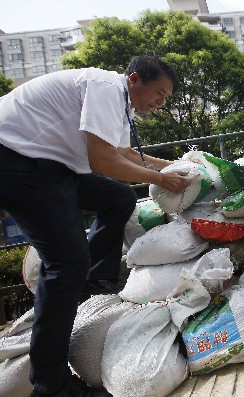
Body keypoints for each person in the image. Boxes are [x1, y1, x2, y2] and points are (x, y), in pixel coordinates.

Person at [0, 55, 191, 396]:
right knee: (66, 263)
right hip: (18, 160)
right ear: (135, 79)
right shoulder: (105, 87)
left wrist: (183, 165)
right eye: (159, 92)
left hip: (51, 165)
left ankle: (94, 280)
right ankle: (51, 383)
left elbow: (126, 155)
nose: (161, 102)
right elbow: (102, 161)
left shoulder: (120, 104)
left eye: (166, 97)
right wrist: (161, 179)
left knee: (117, 199)